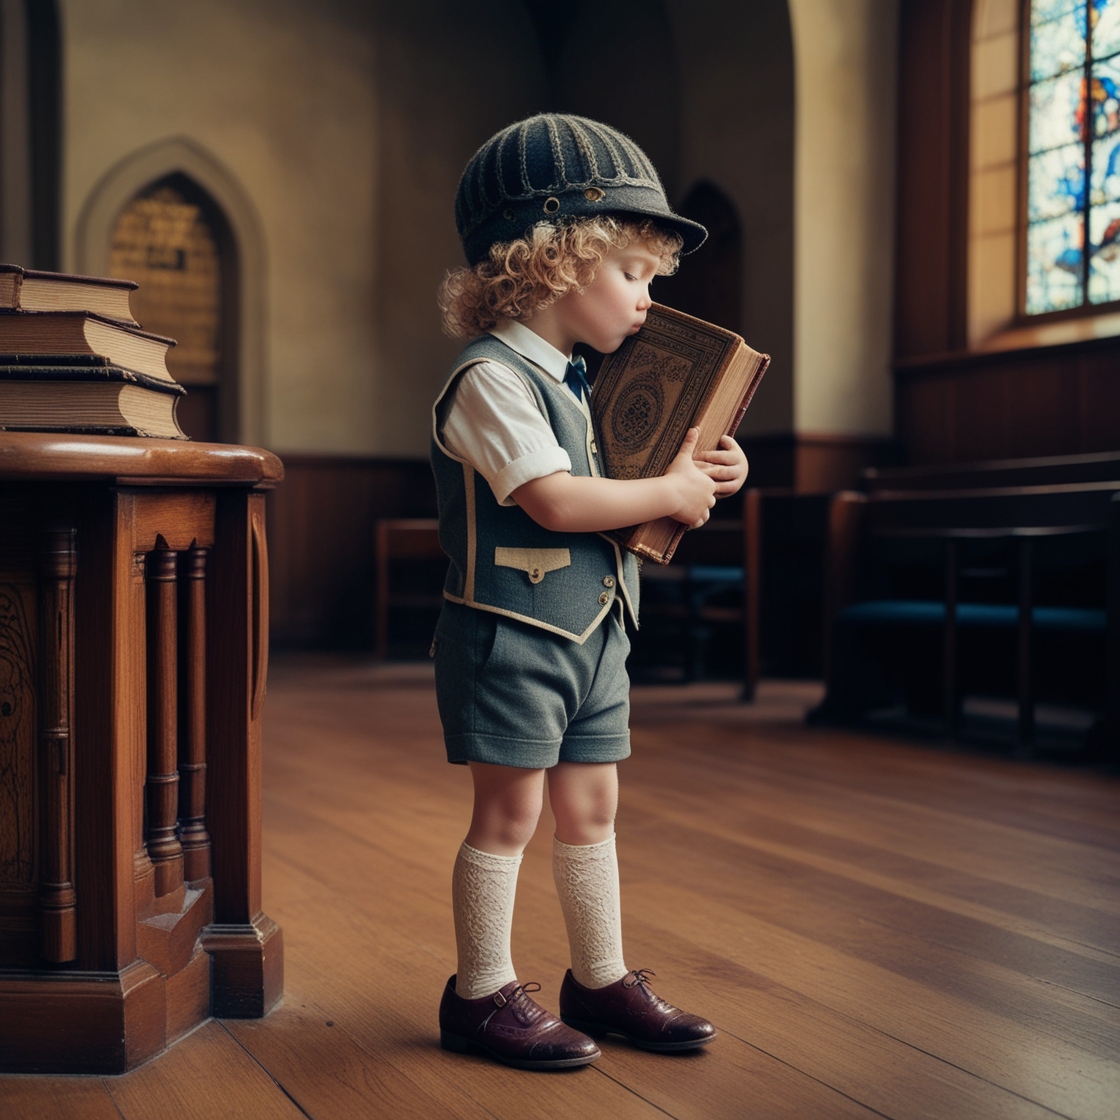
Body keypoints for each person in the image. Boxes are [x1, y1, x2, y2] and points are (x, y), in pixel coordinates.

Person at [431, 113, 749, 1071]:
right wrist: (666, 493)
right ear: (557, 264)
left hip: (596, 631)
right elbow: (555, 498)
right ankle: (479, 993)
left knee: (593, 808)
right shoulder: (491, 379)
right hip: (511, 637)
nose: (648, 300)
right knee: (510, 815)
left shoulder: (584, 382)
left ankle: (598, 977)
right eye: (634, 274)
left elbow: (624, 482)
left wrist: (703, 473)